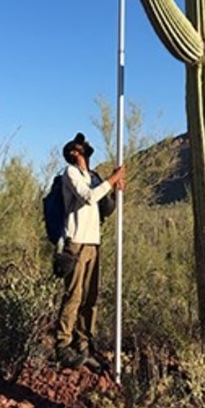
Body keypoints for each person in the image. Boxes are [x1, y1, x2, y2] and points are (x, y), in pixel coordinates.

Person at [54, 131, 125, 369]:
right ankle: (63, 345)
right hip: (75, 242)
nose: (84, 146)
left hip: (93, 242)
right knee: (74, 295)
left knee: (91, 297)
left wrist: (114, 189)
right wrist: (112, 180)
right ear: (73, 152)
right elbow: (88, 197)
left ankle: (84, 343)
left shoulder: (93, 176)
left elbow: (105, 207)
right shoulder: (70, 173)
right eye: (79, 145)